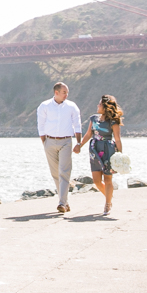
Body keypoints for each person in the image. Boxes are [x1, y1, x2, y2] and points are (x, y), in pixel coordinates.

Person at [74, 94, 124, 215]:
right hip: (95, 150)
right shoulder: (93, 119)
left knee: (108, 179)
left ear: (105, 106)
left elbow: (117, 139)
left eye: (100, 104)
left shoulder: (113, 121)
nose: (97, 105)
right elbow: (88, 134)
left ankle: (107, 204)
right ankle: (109, 197)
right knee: (96, 181)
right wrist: (79, 145)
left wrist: (120, 156)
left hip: (108, 150)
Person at [37, 82, 82, 213]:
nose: (66, 95)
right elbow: (41, 125)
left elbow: (77, 125)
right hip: (49, 141)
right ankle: (65, 202)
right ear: (56, 93)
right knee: (55, 173)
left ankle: (61, 203)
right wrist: (45, 143)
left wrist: (78, 143)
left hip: (66, 142)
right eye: (64, 92)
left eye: (67, 92)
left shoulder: (72, 106)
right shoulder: (44, 106)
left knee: (64, 171)